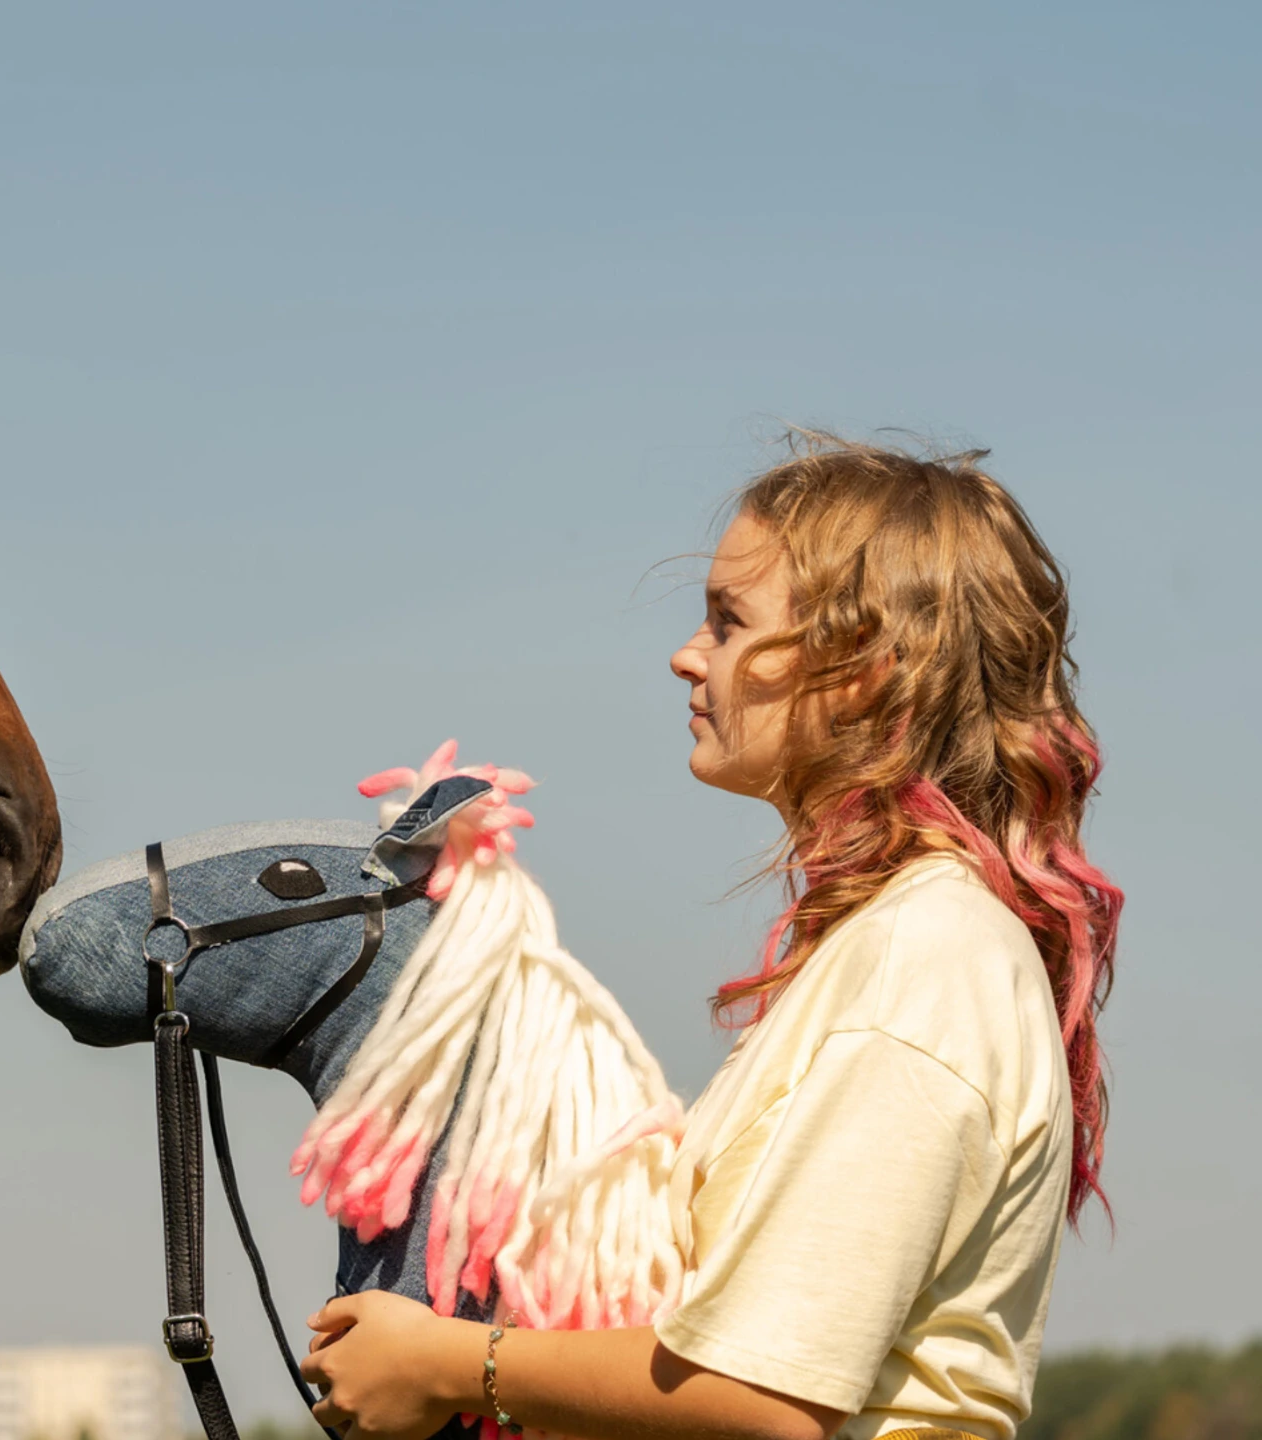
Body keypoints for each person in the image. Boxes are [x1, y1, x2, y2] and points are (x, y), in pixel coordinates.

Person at [298, 437, 1121, 1440]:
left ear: (861, 674)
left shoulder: (927, 955)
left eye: (728, 622)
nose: (687, 654)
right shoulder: (897, 942)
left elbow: (768, 1393)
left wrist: (446, 1363)